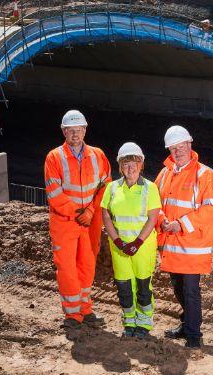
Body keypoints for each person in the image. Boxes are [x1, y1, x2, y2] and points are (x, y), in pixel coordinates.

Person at [44, 110, 111, 337]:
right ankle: (72, 315)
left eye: (79, 129)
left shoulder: (98, 155)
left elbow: (105, 186)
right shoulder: (54, 157)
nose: (75, 134)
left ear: (85, 130)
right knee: (67, 268)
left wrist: (91, 211)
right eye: (71, 130)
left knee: (87, 265)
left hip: (90, 221)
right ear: (64, 132)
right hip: (65, 222)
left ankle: (85, 309)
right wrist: (77, 213)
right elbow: (54, 192)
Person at [155, 126, 213, 349]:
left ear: (190, 145)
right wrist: (163, 220)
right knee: (177, 286)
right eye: (173, 148)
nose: (178, 151)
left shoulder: (205, 174)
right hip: (171, 244)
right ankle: (186, 325)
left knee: (191, 290)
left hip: (192, 246)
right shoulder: (165, 173)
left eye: (181, 146)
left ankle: (194, 334)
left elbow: (209, 210)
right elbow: (156, 202)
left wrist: (180, 224)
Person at [101, 142, 161, 339]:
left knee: (143, 287)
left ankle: (144, 323)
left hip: (142, 248)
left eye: (135, 162)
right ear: (120, 166)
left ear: (141, 164)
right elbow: (106, 215)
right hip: (120, 248)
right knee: (124, 287)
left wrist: (137, 242)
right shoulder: (111, 188)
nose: (130, 167)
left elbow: (153, 218)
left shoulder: (150, 188)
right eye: (126, 163)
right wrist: (118, 241)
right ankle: (129, 322)